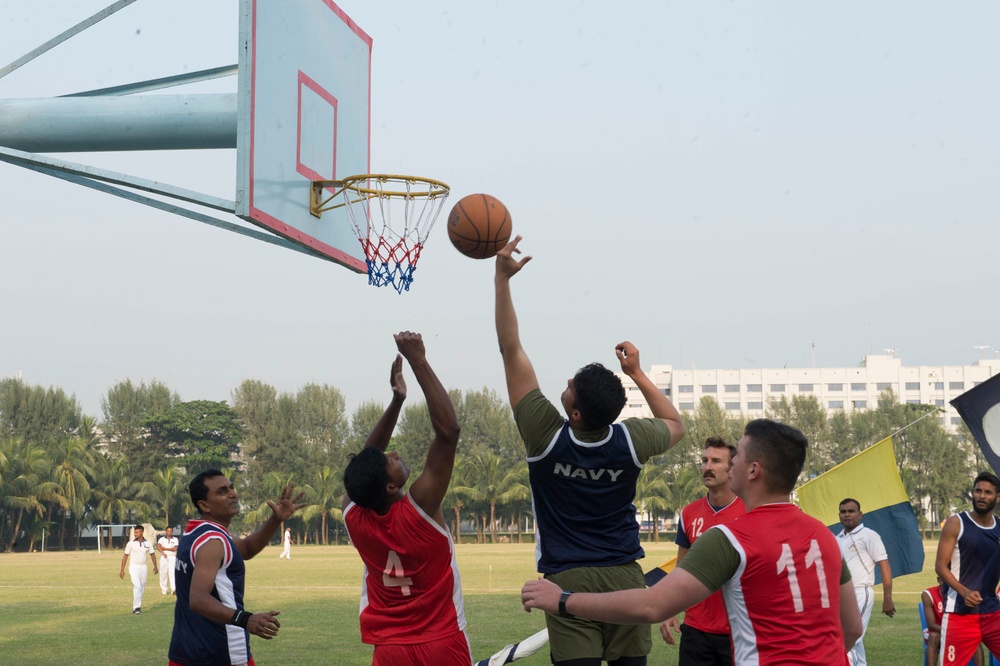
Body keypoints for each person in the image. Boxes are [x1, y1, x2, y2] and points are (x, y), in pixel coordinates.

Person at [521, 419, 864, 666]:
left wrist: (563, 600)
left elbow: (652, 606)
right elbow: (851, 627)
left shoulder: (731, 538)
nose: (730, 464)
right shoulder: (824, 534)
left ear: (753, 470)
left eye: (738, 457)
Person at [494, 236, 686, 666]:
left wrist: (501, 280)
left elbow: (511, 349)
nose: (563, 385)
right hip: (625, 576)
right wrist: (636, 371)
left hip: (567, 580)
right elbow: (676, 424)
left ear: (576, 413)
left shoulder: (545, 434)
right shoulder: (630, 440)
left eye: (569, 388)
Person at [342, 332, 468, 666]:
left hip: (389, 648)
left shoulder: (353, 515)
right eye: (390, 461)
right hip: (441, 640)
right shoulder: (421, 507)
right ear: (390, 487)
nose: (394, 453)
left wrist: (397, 400)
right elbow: (449, 432)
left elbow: (366, 461)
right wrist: (418, 360)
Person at [168, 470, 306, 666]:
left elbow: (247, 548)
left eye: (231, 487)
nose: (232, 494)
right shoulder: (213, 541)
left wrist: (275, 519)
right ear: (204, 505)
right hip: (220, 652)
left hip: (185, 651)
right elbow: (198, 599)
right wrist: (246, 619)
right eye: (222, 491)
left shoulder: (196, 532)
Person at [661, 437, 746, 664]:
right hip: (696, 629)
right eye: (705, 460)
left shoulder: (750, 511)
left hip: (739, 630)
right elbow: (682, 569)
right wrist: (669, 609)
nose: (707, 467)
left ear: (732, 470)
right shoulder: (689, 513)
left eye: (716, 461)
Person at [935, 471, 1000, 665]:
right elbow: (940, 566)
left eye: (988, 492)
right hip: (960, 614)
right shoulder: (956, 522)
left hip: (992, 612)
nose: (981, 496)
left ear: (998, 497)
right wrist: (964, 591)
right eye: (978, 491)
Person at [835, 498, 895, 665]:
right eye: (843, 511)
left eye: (851, 511)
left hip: (861, 592)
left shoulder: (869, 535)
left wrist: (887, 598)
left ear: (860, 515)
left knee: (850, 636)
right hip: (842, 594)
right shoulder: (837, 538)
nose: (847, 515)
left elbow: (884, 566)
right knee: (854, 639)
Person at [923, 578, 986, 666]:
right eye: (943, 581)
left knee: (974, 637)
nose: (946, 584)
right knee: (934, 637)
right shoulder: (928, 594)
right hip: (938, 631)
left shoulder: (962, 594)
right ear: (938, 580)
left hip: (956, 630)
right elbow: (931, 625)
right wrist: (951, 631)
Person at [119, 524, 158, 614]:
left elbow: (152, 555)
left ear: (142, 532)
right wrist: (122, 570)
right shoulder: (130, 543)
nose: (135, 534)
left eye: (137, 532)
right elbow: (125, 556)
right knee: (137, 586)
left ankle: (137, 606)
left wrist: (155, 566)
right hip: (133, 566)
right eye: (135, 532)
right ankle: (136, 608)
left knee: (142, 587)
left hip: (143, 567)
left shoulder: (148, 543)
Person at [157, 526, 179, 595]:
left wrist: (165, 548)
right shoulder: (161, 539)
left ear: (172, 532)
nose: (169, 532)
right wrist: (163, 552)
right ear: (166, 532)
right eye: (168, 531)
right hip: (164, 557)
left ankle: (173, 589)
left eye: (170, 531)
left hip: (172, 557)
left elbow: (175, 548)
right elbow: (158, 546)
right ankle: (164, 589)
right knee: (163, 573)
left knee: (172, 573)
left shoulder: (175, 539)